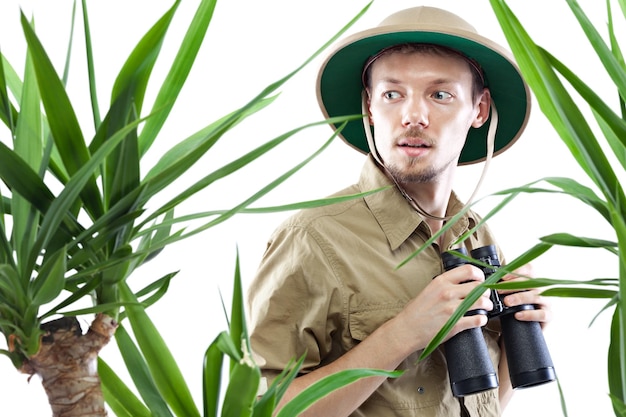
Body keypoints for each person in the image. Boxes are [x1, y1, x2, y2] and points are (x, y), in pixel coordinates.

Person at [247, 6, 552, 417]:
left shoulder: (477, 236)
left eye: (440, 94)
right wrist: (403, 334)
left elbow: (474, 408)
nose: (412, 116)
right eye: (393, 94)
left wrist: (521, 340)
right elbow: (260, 408)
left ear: (479, 110)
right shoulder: (311, 238)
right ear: (370, 107)